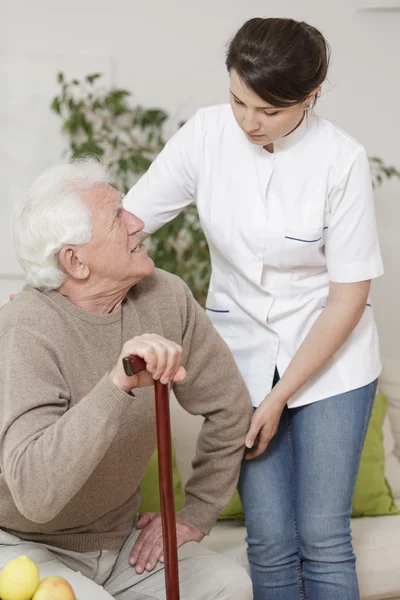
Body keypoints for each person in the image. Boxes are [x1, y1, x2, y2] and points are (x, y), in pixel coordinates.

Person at [123, 16, 384, 600]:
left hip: (332, 359)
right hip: (242, 353)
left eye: (269, 110)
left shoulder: (340, 160)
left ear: (311, 96)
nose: (249, 121)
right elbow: (131, 220)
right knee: (267, 538)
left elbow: (348, 297)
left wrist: (279, 396)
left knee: (322, 535)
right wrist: (59, 275)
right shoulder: (207, 135)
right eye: (239, 100)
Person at [0, 159, 254, 600]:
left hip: (119, 546)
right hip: (25, 545)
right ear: (75, 261)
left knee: (228, 585)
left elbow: (229, 406)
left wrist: (197, 512)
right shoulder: (26, 329)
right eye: (117, 216)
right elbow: (35, 494)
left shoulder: (164, 296)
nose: (139, 223)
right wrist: (116, 385)